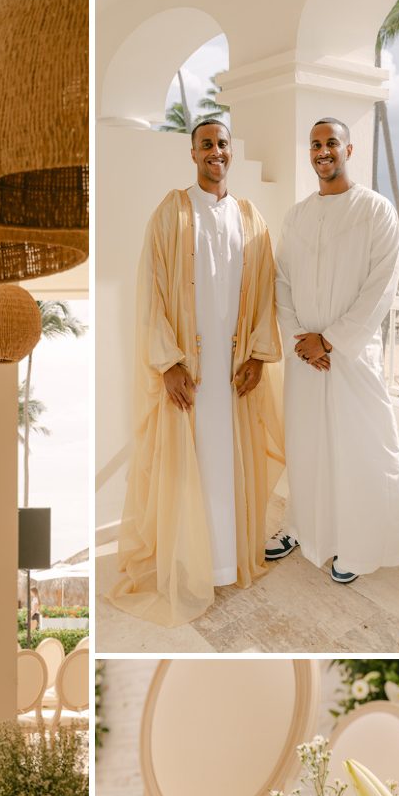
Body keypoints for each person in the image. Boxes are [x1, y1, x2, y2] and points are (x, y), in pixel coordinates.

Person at [110, 118, 284, 626]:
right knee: (189, 468)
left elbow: (266, 293)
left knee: (229, 465)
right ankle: (188, 565)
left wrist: (255, 355)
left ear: (232, 152)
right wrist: (167, 363)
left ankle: (226, 564)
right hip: (189, 370)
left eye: (223, 144)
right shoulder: (171, 212)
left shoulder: (251, 219)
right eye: (206, 144)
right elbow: (152, 291)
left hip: (232, 374)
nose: (216, 151)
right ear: (192, 154)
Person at [265, 118, 399, 584]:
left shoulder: (376, 211)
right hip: (305, 357)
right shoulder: (297, 215)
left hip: (350, 356)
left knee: (359, 451)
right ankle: (301, 529)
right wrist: (301, 339)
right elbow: (281, 281)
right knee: (306, 449)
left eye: (331, 143)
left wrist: (330, 340)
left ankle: (356, 546)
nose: (322, 151)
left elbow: (380, 288)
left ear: (348, 149)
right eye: (315, 144)